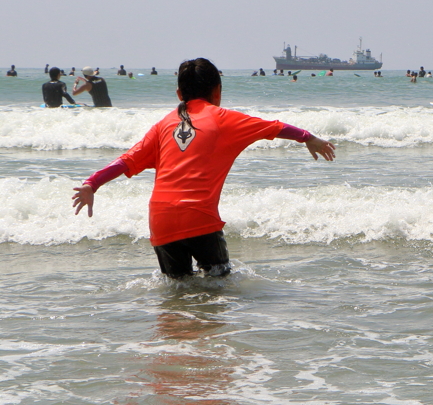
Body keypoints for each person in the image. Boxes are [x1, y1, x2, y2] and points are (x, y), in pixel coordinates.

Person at [72, 58, 335, 278]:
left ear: (179, 94)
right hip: (199, 218)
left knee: (177, 293)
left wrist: (92, 183)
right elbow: (275, 127)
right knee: (219, 291)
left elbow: (126, 161)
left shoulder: (162, 126)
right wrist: (309, 137)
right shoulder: (225, 119)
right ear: (218, 91)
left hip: (161, 221)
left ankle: (176, 338)